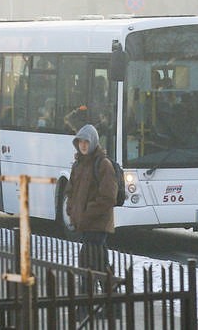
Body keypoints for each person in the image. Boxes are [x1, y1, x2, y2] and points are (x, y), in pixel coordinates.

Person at [65, 124, 117, 294]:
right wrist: (71, 210)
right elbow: (70, 191)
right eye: (80, 142)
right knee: (99, 264)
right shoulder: (78, 164)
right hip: (85, 224)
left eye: (86, 141)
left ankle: (86, 304)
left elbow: (108, 197)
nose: (83, 145)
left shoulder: (103, 164)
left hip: (97, 225)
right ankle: (110, 301)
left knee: (88, 264)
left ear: (93, 142)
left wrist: (87, 214)